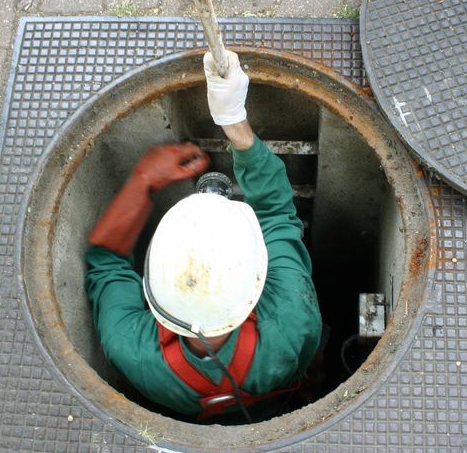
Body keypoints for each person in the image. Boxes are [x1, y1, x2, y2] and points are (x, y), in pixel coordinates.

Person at [84, 50, 322, 421]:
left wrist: (143, 181)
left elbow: (105, 264)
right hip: (279, 396)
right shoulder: (292, 319)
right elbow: (276, 214)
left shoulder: (131, 350)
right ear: (255, 281)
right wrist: (234, 123)